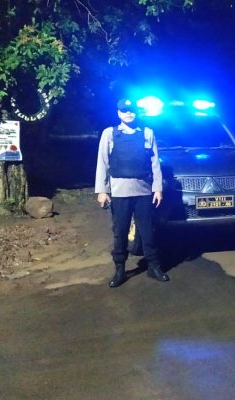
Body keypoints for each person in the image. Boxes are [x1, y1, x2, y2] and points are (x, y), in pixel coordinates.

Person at [95, 98, 169, 288]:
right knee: (120, 232)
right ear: (118, 113)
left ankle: (153, 266)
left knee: (147, 231)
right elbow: (102, 163)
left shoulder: (147, 133)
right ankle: (120, 269)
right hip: (119, 192)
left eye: (131, 110)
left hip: (143, 191)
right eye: (124, 110)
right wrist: (102, 190)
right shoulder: (110, 133)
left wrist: (157, 188)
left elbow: (155, 163)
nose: (128, 113)